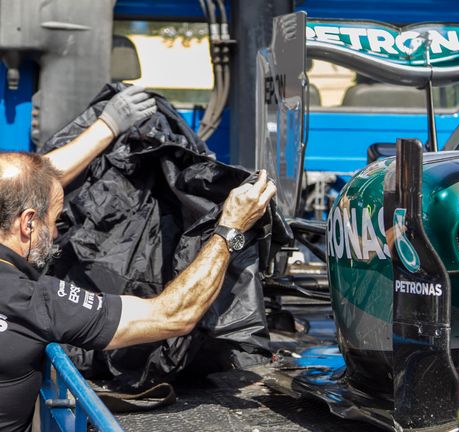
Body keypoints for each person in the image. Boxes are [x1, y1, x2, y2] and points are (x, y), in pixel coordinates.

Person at [0, 86, 278, 432]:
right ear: (27, 223)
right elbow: (172, 316)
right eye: (55, 221)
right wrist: (230, 229)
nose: (56, 234)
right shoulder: (34, 301)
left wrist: (107, 126)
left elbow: (19, 185)